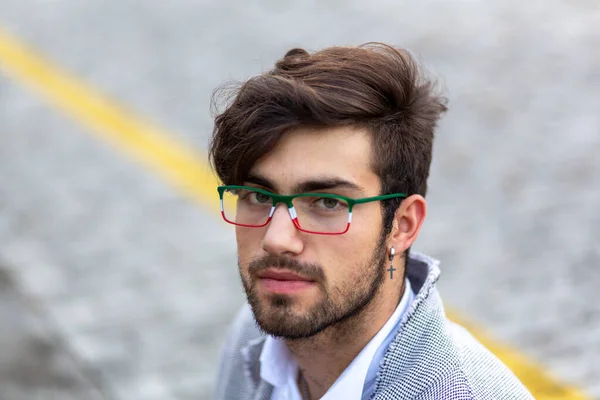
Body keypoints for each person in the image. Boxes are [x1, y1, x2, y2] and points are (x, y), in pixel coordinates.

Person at [209, 43, 533, 400]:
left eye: (328, 202)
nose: (277, 239)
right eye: (259, 197)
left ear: (403, 224)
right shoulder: (255, 338)